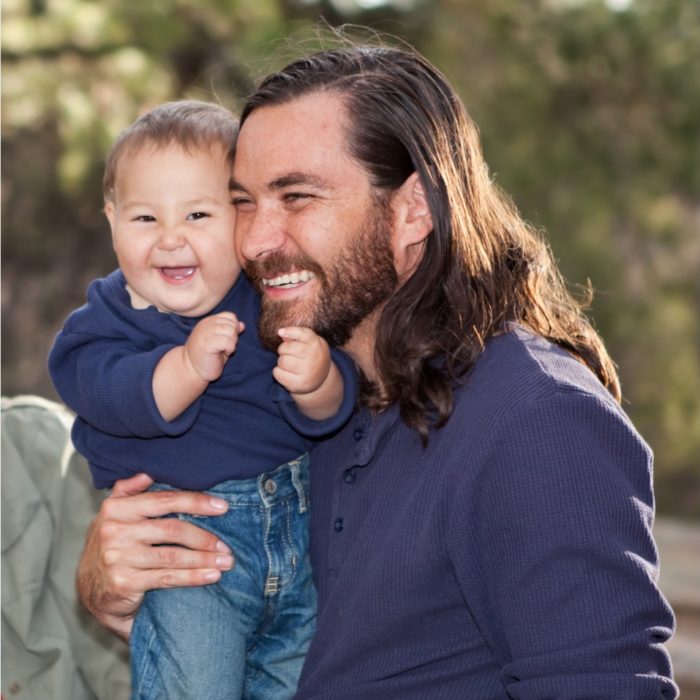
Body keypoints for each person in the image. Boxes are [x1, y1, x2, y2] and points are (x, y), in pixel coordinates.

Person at [75, 44, 678, 698]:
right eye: (243, 202)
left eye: (297, 196)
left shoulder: (534, 420)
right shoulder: (310, 396)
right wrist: (116, 580)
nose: (253, 240)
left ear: (413, 209)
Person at [48, 100, 358, 699]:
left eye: (197, 214)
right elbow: (114, 395)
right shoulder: (104, 324)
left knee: (299, 683)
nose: (170, 238)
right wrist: (185, 366)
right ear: (111, 220)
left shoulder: (268, 300)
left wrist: (318, 382)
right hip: (189, 551)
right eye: (143, 219)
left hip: (301, 540)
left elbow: (327, 414)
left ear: (240, 221)